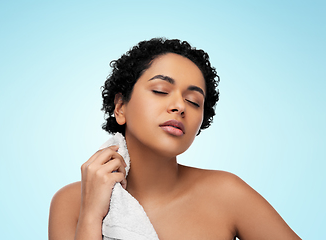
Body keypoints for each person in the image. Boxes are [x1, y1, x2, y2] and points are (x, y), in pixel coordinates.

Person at [48, 38, 301, 240]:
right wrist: (91, 215)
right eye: (160, 91)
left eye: (194, 101)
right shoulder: (70, 203)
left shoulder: (227, 193)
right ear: (121, 106)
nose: (180, 106)